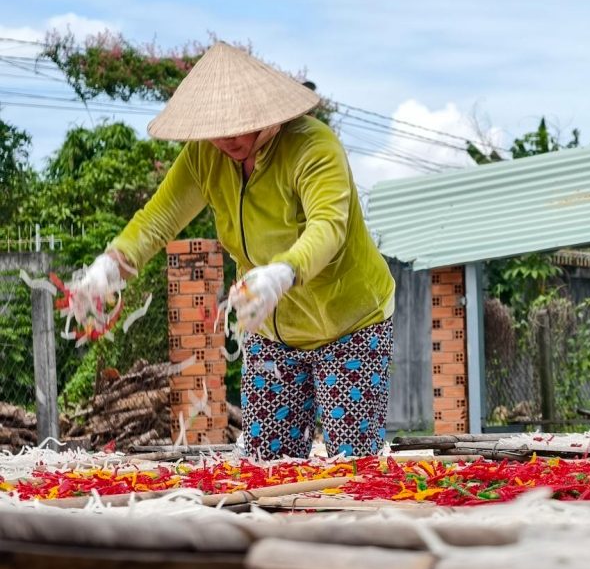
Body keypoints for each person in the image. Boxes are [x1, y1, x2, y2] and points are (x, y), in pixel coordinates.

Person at [68, 42, 396, 459]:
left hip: (351, 324)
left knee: (352, 462)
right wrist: (110, 266)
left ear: (267, 116)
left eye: (239, 127)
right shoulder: (205, 156)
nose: (227, 140)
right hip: (269, 327)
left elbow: (328, 227)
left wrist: (284, 271)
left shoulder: (313, 147)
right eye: (216, 130)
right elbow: (158, 219)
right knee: (267, 462)